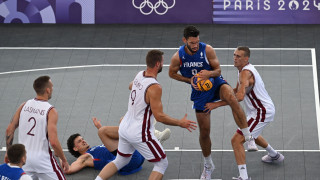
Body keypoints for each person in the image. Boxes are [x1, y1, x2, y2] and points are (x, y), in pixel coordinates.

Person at [168, 25, 258, 180]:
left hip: (215, 82)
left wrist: (209, 73)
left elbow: (218, 70)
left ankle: (248, 137)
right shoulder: (178, 56)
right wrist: (190, 80)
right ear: (185, 41)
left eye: (197, 42)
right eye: (192, 43)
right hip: (199, 91)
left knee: (231, 97)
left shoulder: (207, 50)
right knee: (204, 132)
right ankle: (208, 165)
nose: (195, 45)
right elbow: (172, 73)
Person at [95, 50, 197, 180]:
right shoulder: (155, 87)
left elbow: (130, 86)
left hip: (125, 127)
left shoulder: (140, 74)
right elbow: (159, 116)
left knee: (121, 160)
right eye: (163, 62)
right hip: (139, 132)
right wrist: (180, 123)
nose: (163, 65)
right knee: (161, 164)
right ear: (157, 64)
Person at [204, 46, 285, 180]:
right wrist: (219, 93)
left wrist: (217, 104)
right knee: (250, 132)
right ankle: (275, 155)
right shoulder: (242, 70)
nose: (235, 58)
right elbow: (235, 91)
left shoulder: (245, 73)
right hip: (258, 110)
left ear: (246, 59)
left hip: (261, 112)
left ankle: (244, 177)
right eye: (234, 55)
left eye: (238, 56)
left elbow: (239, 97)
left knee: (236, 140)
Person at [5, 75, 69, 180]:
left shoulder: (23, 105)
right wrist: (64, 160)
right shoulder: (50, 111)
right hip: (43, 160)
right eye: (52, 87)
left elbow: (9, 130)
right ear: (48, 90)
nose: (52, 89)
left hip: (24, 159)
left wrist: (9, 152)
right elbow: (53, 142)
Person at [65, 117, 171, 175]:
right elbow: (68, 170)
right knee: (123, 123)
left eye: (82, 139)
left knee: (123, 124)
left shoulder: (95, 149)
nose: (83, 141)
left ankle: (152, 138)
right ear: (75, 148)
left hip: (136, 157)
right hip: (128, 162)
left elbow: (111, 143)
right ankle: (151, 134)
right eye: (79, 141)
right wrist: (59, 155)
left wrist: (99, 128)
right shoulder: (85, 157)